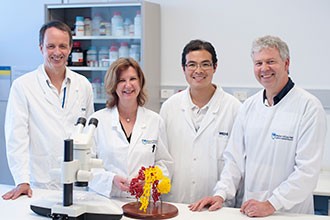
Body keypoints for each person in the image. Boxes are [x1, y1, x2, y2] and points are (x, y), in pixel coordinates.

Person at [189, 35, 327, 217]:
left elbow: (306, 172)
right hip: (251, 210)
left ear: (286, 64)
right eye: (258, 63)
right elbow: (234, 160)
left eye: (271, 61)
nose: (264, 68)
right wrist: (221, 194)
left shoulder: (309, 107)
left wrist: (271, 204)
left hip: (289, 213)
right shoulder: (249, 106)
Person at [2, 21, 94, 200]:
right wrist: (22, 180)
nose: (57, 52)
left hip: (77, 183)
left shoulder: (83, 85)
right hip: (38, 183)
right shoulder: (23, 86)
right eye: (51, 46)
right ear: (41, 48)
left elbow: (90, 136)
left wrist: (91, 175)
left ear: (69, 49)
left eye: (62, 46)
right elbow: (16, 137)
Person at [159, 39, 242, 204]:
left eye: (205, 64)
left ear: (215, 67)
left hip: (217, 206)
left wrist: (222, 195)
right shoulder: (170, 107)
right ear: (183, 68)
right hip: (175, 203)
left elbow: (236, 163)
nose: (198, 70)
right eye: (191, 65)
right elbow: (161, 157)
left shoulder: (234, 109)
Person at [88, 57, 173, 198]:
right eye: (121, 80)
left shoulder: (155, 121)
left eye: (133, 79)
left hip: (142, 203)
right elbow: (86, 166)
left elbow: (164, 163)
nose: (128, 85)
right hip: (106, 201)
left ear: (140, 82)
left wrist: (150, 180)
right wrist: (111, 180)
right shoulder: (97, 121)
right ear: (113, 85)